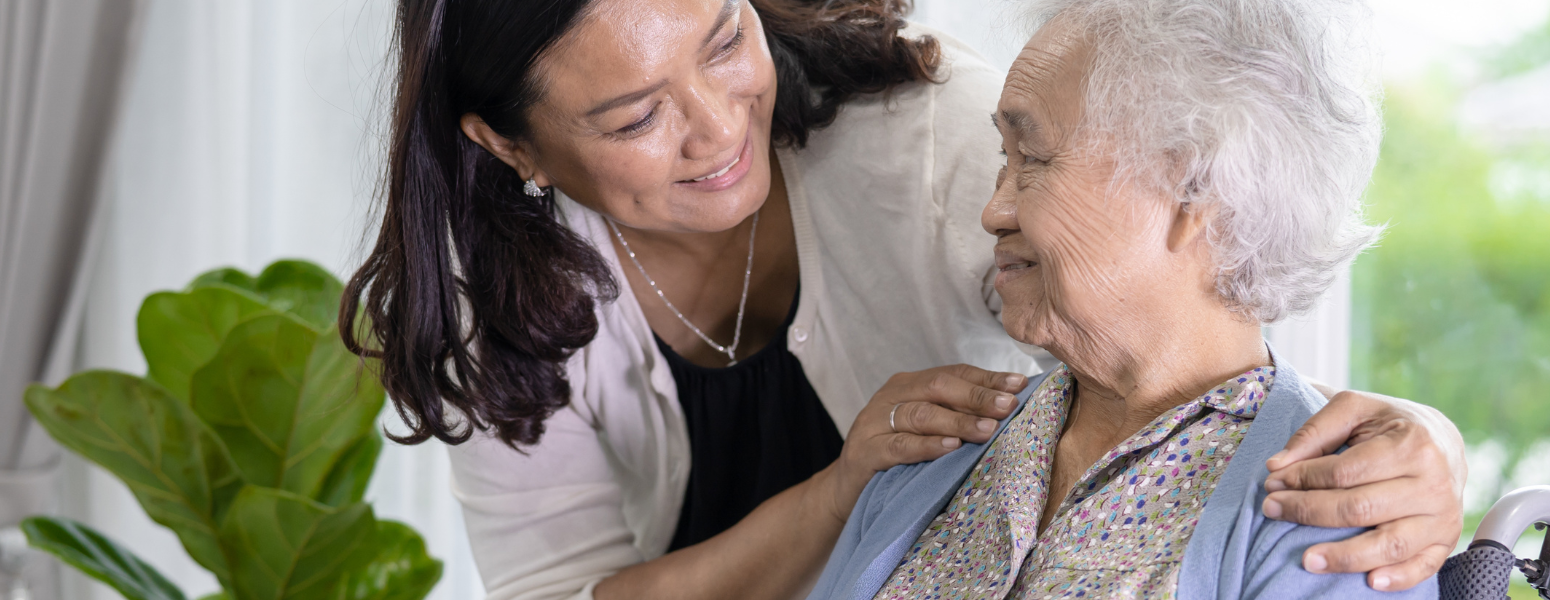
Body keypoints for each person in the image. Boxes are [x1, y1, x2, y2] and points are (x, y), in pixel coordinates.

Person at [339, 0, 1464, 598]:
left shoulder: (938, 143)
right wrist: (840, 493)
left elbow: (1226, 294)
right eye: (635, 117)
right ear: (509, 145)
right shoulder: (921, 471)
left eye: (725, 39)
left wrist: (1425, 449)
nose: (719, 124)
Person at [808, 0, 1433, 597]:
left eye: (1035, 160)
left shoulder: (1340, 507)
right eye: (1006, 155)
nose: (993, 210)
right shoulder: (937, 445)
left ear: (1194, 193)